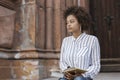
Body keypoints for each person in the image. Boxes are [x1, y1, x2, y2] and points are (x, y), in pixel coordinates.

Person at [59, 6, 100, 80]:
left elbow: (96, 66)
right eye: (67, 23)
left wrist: (82, 74)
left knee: (78, 79)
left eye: (72, 21)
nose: (68, 24)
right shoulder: (65, 41)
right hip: (69, 77)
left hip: (84, 77)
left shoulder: (92, 40)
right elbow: (62, 62)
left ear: (80, 22)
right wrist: (68, 73)